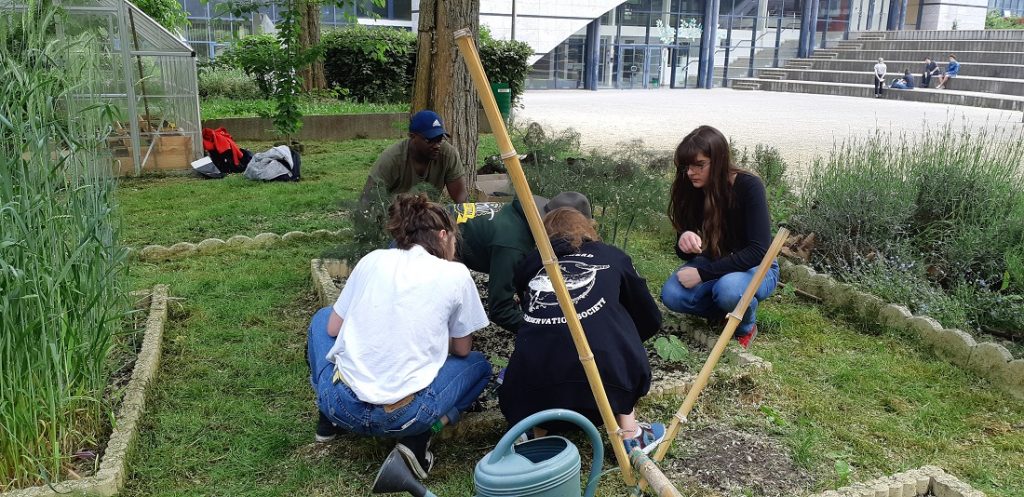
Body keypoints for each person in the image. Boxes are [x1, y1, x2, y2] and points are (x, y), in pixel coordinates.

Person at [306, 193, 491, 479]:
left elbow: (332, 330)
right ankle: (422, 436)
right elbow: (463, 349)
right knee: (479, 366)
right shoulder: (456, 274)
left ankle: (327, 419)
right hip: (406, 416)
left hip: (341, 404)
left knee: (321, 319)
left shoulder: (372, 260)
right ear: (443, 235)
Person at [500, 207, 665, 453]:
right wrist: (623, 337)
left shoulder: (531, 266)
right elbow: (649, 316)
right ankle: (631, 435)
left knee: (541, 349)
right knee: (616, 351)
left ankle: (538, 439)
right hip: (608, 387)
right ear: (588, 228)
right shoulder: (612, 257)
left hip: (532, 389)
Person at [659, 125, 779, 349]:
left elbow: (758, 251)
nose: (691, 172)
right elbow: (681, 250)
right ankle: (728, 311)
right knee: (671, 295)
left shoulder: (748, 186)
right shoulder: (691, 188)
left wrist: (702, 274)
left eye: (699, 165)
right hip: (715, 260)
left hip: (758, 267)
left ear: (719, 160)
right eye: (687, 166)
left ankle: (745, 325)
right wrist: (684, 239)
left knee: (728, 290)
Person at [457, 191, 592, 333]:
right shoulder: (513, 245)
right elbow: (500, 310)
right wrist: (545, 329)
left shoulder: (519, 217)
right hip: (434, 247)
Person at [360, 110, 469, 207]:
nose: (436, 145)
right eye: (429, 140)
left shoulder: (448, 155)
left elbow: (461, 199)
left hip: (427, 216)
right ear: (412, 136)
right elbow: (367, 200)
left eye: (439, 139)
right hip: (395, 217)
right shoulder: (392, 159)